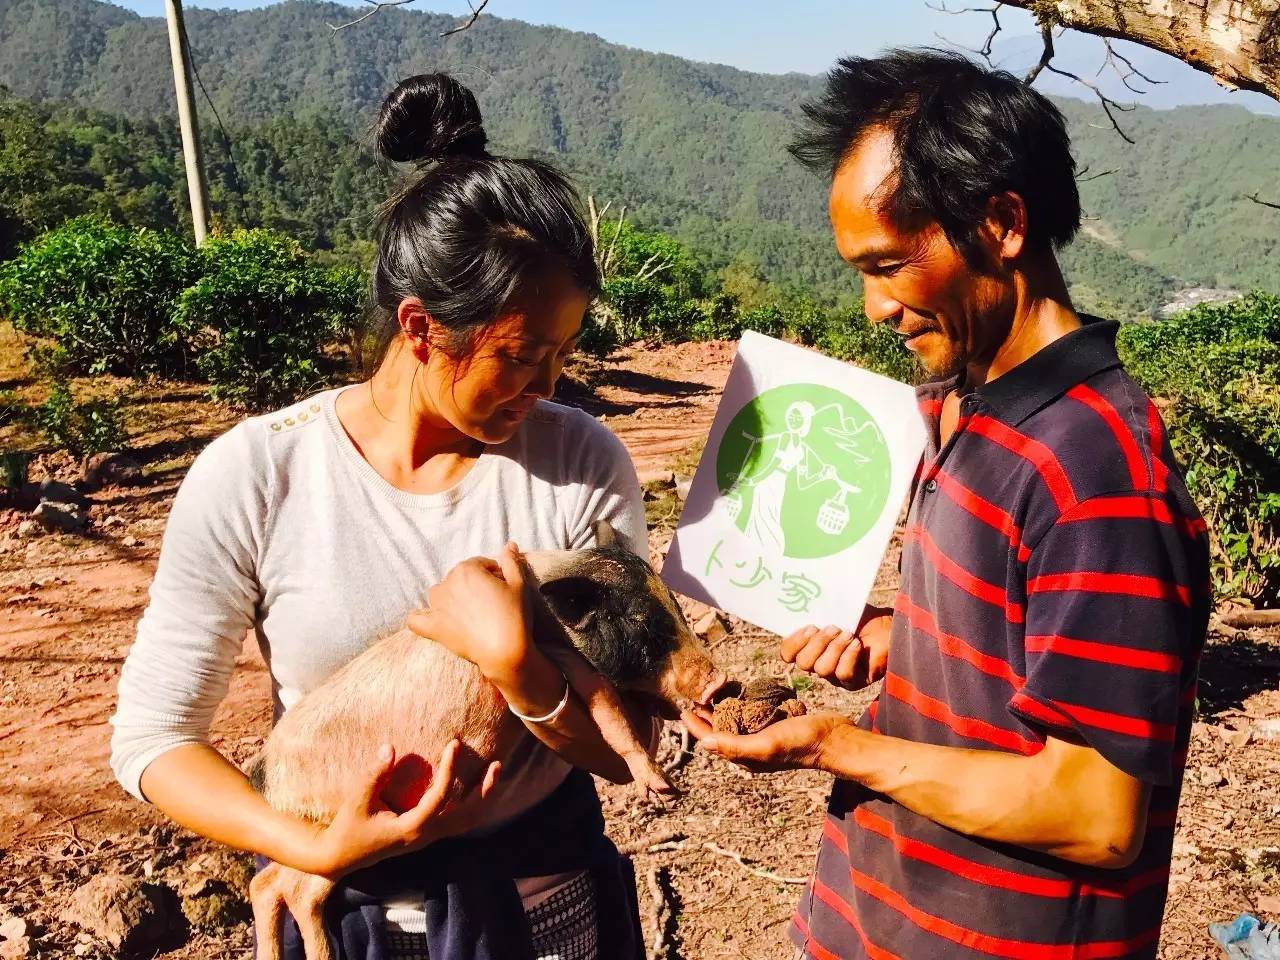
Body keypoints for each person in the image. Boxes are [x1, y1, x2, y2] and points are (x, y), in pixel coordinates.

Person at [110, 74, 653, 960]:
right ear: (422, 326)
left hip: (544, 904)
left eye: (564, 353)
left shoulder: (581, 464)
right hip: (350, 918)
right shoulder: (260, 474)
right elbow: (155, 739)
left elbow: (629, 736)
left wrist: (520, 669)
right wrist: (307, 843)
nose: (550, 387)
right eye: (521, 356)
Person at [684, 50, 1210, 960]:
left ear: (1002, 223)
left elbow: (1097, 811)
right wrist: (903, 638)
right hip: (878, 910)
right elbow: (1010, 639)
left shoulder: (1095, 473)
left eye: (890, 265)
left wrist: (832, 748)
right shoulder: (956, 408)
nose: (874, 305)